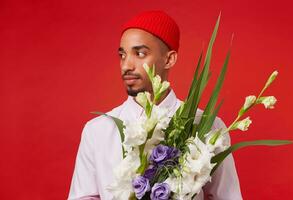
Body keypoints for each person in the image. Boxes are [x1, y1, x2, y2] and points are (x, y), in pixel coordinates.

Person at [68, 10, 243, 200]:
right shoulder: (98, 130)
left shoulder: (208, 126)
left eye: (140, 53)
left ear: (169, 59)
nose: (127, 65)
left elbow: (228, 196)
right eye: (122, 55)